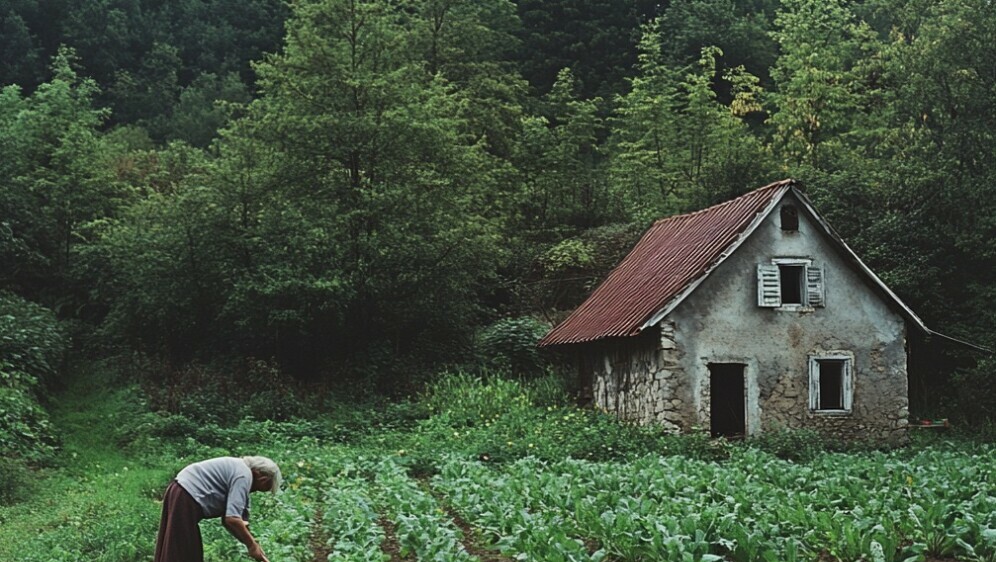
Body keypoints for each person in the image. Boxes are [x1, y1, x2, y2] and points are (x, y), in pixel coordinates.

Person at [154, 456, 282, 562]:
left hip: (180, 490)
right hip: (186, 494)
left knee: (184, 548)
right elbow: (232, 519)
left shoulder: (240, 470)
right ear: (259, 474)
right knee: (181, 550)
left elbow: (234, 521)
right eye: (262, 486)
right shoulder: (244, 475)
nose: (254, 491)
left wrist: (251, 543)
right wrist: (252, 545)